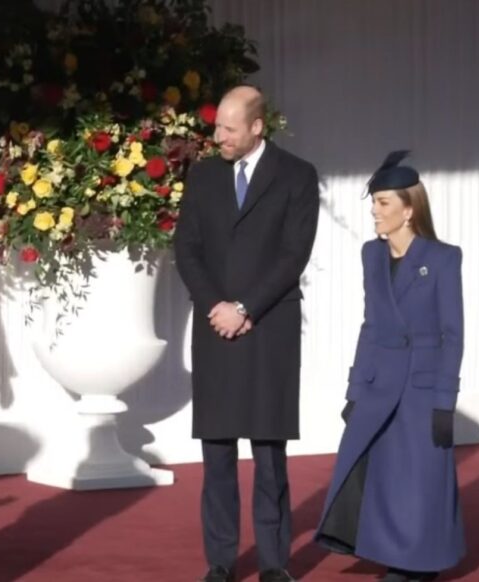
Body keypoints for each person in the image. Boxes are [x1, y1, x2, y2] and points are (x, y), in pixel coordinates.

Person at [174, 85, 320, 582]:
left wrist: (246, 307)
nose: (219, 137)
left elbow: (293, 254)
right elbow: (186, 248)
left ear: (258, 126)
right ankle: (220, 561)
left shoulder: (297, 175)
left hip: (268, 325)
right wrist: (217, 306)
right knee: (216, 454)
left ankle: (276, 563)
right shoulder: (204, 175)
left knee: (268, 453)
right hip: (215, 326)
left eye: (229, 129)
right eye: (217, 127)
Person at [314, 152, 465, 582]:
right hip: (381, 383)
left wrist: (444, 401)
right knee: (378, 474)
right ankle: (392, 557)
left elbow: (452, 334)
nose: (374, 211)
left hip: (421, 387)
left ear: (409, 208)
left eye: (383, 203)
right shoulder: (371, 255)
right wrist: (356, 389)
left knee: (420, 482)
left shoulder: (443, 258)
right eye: (374, 202)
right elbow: (371, 323)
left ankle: (419, 565)